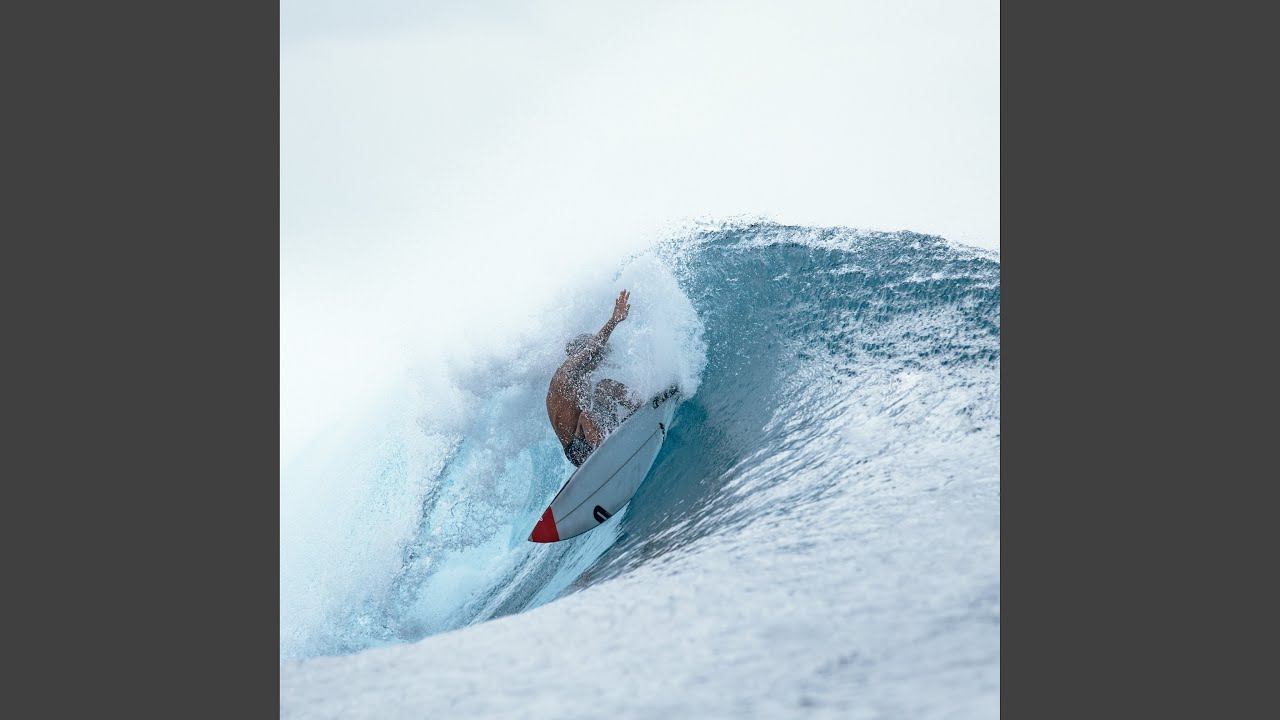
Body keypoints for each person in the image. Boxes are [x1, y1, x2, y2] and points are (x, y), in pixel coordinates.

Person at [547, 290, 641, 467]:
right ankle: (605, 460)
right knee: (587, 415)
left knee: (604, 387)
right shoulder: (566, 372)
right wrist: (614, 320)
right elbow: (593, 348)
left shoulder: (579, 379)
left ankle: (645, 409)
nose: (598, 363)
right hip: (579, 451)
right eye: (597, 360)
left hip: (586, 438)